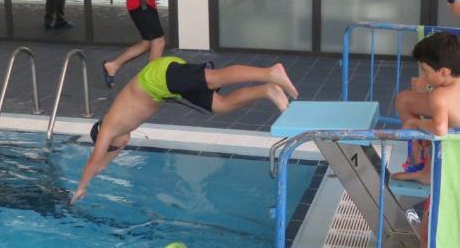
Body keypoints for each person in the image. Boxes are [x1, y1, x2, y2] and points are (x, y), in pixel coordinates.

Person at [72, 57, 299, 203]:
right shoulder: (117, 131)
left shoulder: (108, 128)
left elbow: (95, 160)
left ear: (110, 142)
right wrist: (97, 171)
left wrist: (80, 189)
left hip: (159, 77)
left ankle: (270, 72)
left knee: (213, 79)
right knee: (219, 105)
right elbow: (101, 164)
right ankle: (268, 90)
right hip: (164, 88)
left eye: (115, 150)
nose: (121, 148)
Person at [392, 32, 460, 185]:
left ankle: (428, 174)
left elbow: (440, 129)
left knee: (431, 127)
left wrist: (414, 124)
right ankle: (428, 167)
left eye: (425, 71)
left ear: (444, 72)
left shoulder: (439, 94)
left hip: (448, 158)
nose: (424, 77)